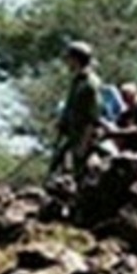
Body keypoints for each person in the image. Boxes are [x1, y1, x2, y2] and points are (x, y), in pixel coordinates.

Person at [48, 41, 103, 181]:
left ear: (76, 59)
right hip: (73, 135)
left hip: (85, 138)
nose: (67, 62)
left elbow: (93, 117)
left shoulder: (90, 83)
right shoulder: (77, 81)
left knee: (85, 176)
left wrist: (83, 145)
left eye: (69, 58)